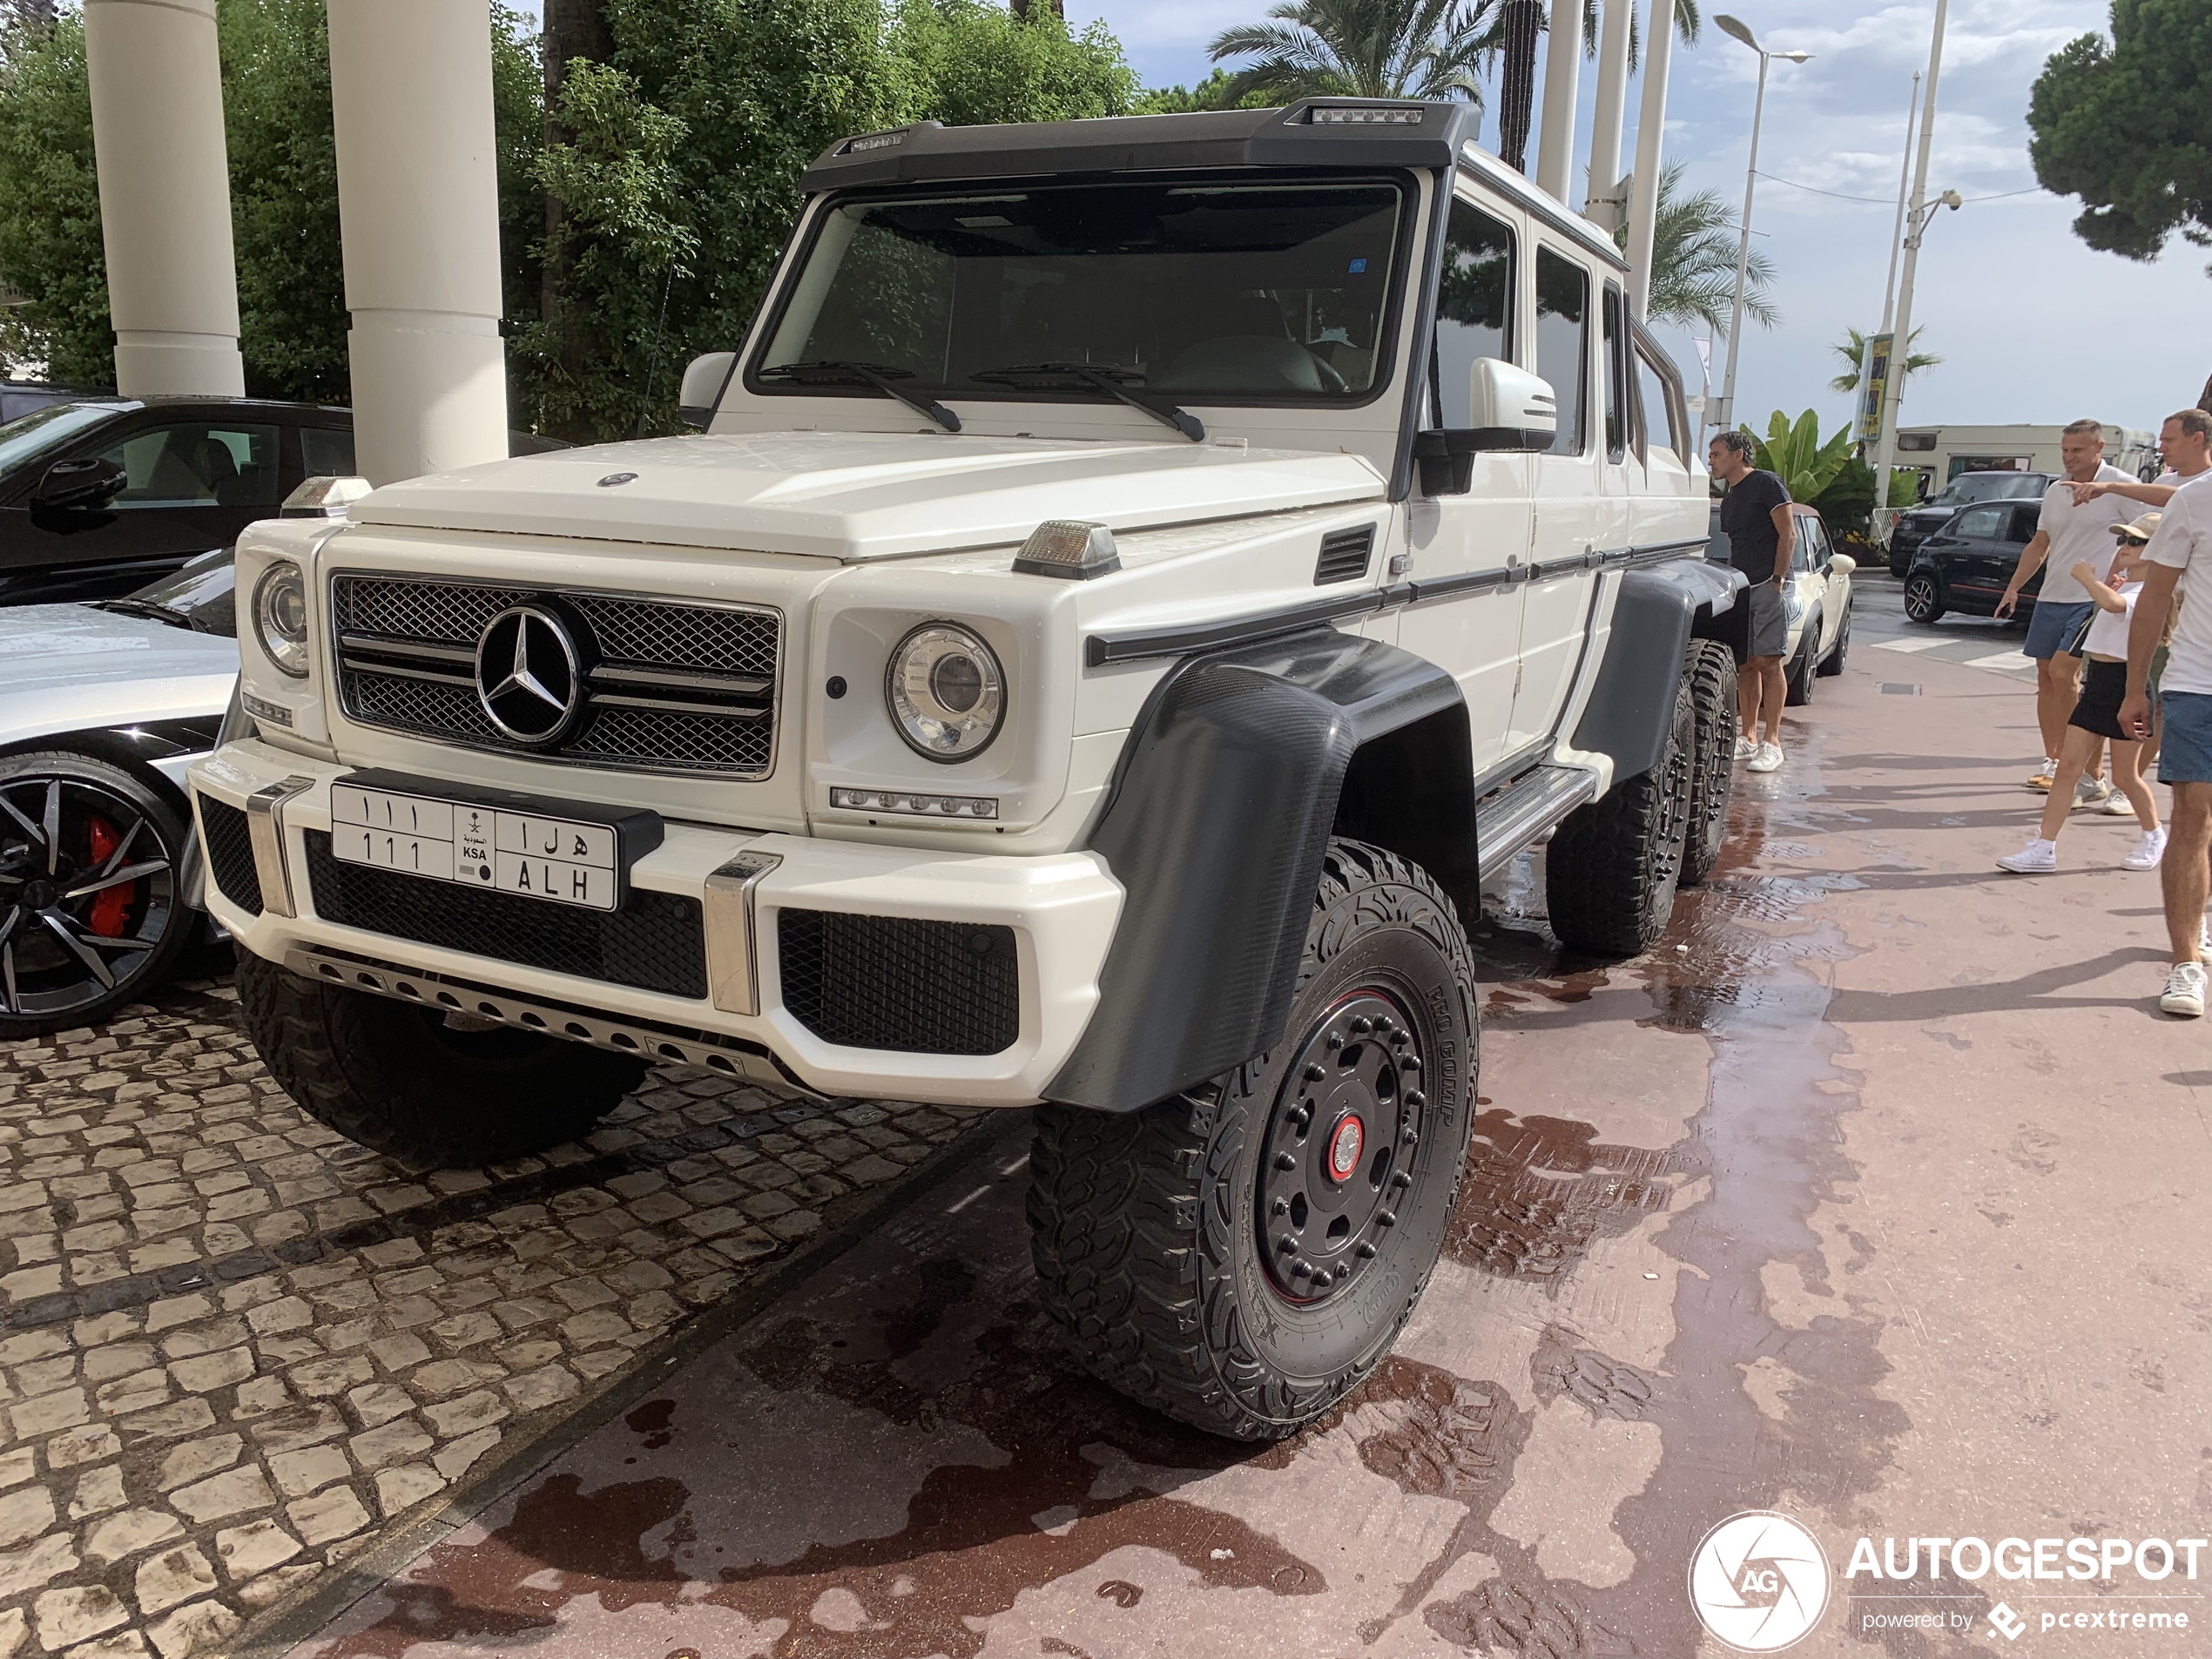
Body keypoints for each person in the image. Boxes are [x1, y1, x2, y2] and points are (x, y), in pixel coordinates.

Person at [1995, 522, 2162, 873]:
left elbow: (2116, 606)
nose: (2125, 546)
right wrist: (2105, 584)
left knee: (2126, 777)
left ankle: (2154, 835)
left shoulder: (2152, 590)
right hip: (2098, 684)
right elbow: (2112, 605)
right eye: (2123, 539)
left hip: (2127, 686)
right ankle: (2044, 847)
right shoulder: (2126, 584)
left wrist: (2089, 579)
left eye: (2136, 541)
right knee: (2068, 767)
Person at [2116, 408, 2212, 1015]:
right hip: (2197, 682)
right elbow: (2152, 599)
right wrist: (2134, 687)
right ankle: (2186, 962)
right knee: (2193, 814)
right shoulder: (2194, 501)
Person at [1995, 420, 2135, 799]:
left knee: (2064, 672)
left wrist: (2127, 580)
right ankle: (2054, 761)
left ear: (2099, 448)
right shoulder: (2056, 491)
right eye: (2064, 450)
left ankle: (2089, 771)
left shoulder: (2121, 487)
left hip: (2092, 597)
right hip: (2051, 596)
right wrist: (2013, 588)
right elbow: (2040, 543)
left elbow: (2149, 534)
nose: (2069, 457)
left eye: (2077, 450)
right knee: (2045, 677)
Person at [1709, 430, 1794, 773]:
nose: (1711, 461)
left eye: (1716, 454)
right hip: (1741, 587)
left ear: (1739, 454)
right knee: (1745, 664)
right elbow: (1737, 546)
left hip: (1769, 585)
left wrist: (1779, 580)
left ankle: (1773, 741)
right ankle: (1748, 737)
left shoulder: (1767, 484)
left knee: (1768, 662)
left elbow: (1788, 533)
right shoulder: (1729, 499)